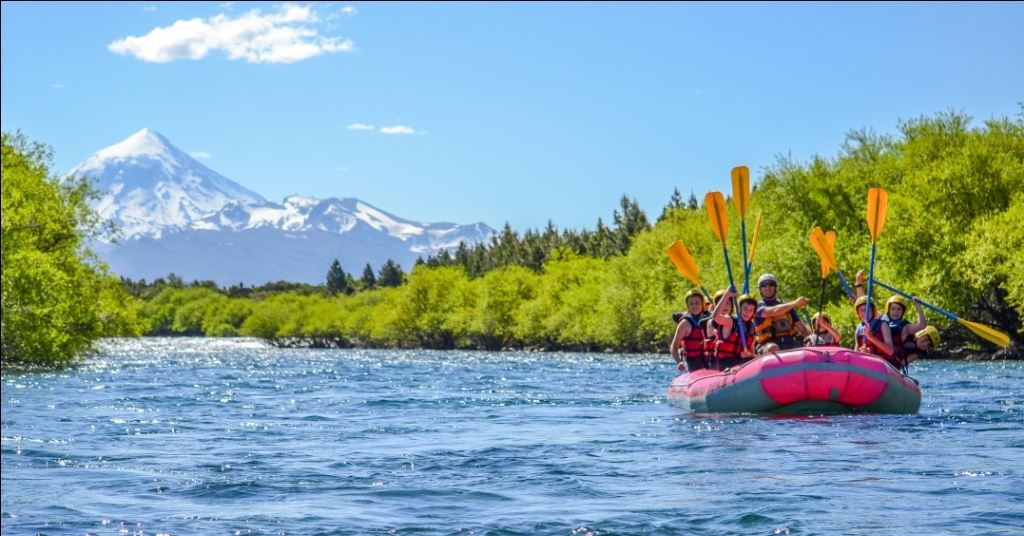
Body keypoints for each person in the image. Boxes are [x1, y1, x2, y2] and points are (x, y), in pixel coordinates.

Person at [753, 273, 810, 354]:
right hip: (767, 343)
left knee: (810, 342)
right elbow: (772, 312)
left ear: (775, 287)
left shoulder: (786, 306)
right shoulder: (756, 306)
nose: (768, 287)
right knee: (772, 348)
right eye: (764, 285)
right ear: (760, 289)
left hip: (789, 341)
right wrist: (795, 303)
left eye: (771, 284)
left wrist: (811, 339)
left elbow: (802, 329)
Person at [709, 287, 757, 370]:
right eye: (745, 309)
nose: (747, 313)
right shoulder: (730, 320)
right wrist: (727, 294)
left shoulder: (751, 326)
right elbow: (715, 317)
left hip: (742, 361)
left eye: (751, 310)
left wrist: (747, 354)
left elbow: (752, 353)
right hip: (726, 363)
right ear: (739, 309)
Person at [670, 289, 710, 373]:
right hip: (693, 363)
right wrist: (679, 361)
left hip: (710, 361)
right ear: (688, 306)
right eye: (691, 304)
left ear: (702, 304)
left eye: (697, 303)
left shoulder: (709, 319)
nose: (694, 306)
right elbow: (674, 346)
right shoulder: (685, 323)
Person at [882, 295, 928, 365]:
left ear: (903, 311)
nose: (896, 312)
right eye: (893, 309)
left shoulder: (905, 327)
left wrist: (918, 306)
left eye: (899, 309)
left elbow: (922, 325)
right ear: (888, 310)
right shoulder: (881, 320)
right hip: (879, 357)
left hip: (892, 362)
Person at [853, 296, 897, 365]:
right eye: (861, 309)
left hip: (885, 364)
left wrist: (871, 337)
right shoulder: (859, 329)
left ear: (873, 311)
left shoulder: (883, 325)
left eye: (867, 309)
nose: (865, 312)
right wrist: (862, 353)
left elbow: (890, 351)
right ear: (858, 313)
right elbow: (856, 354)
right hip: (869, 365)